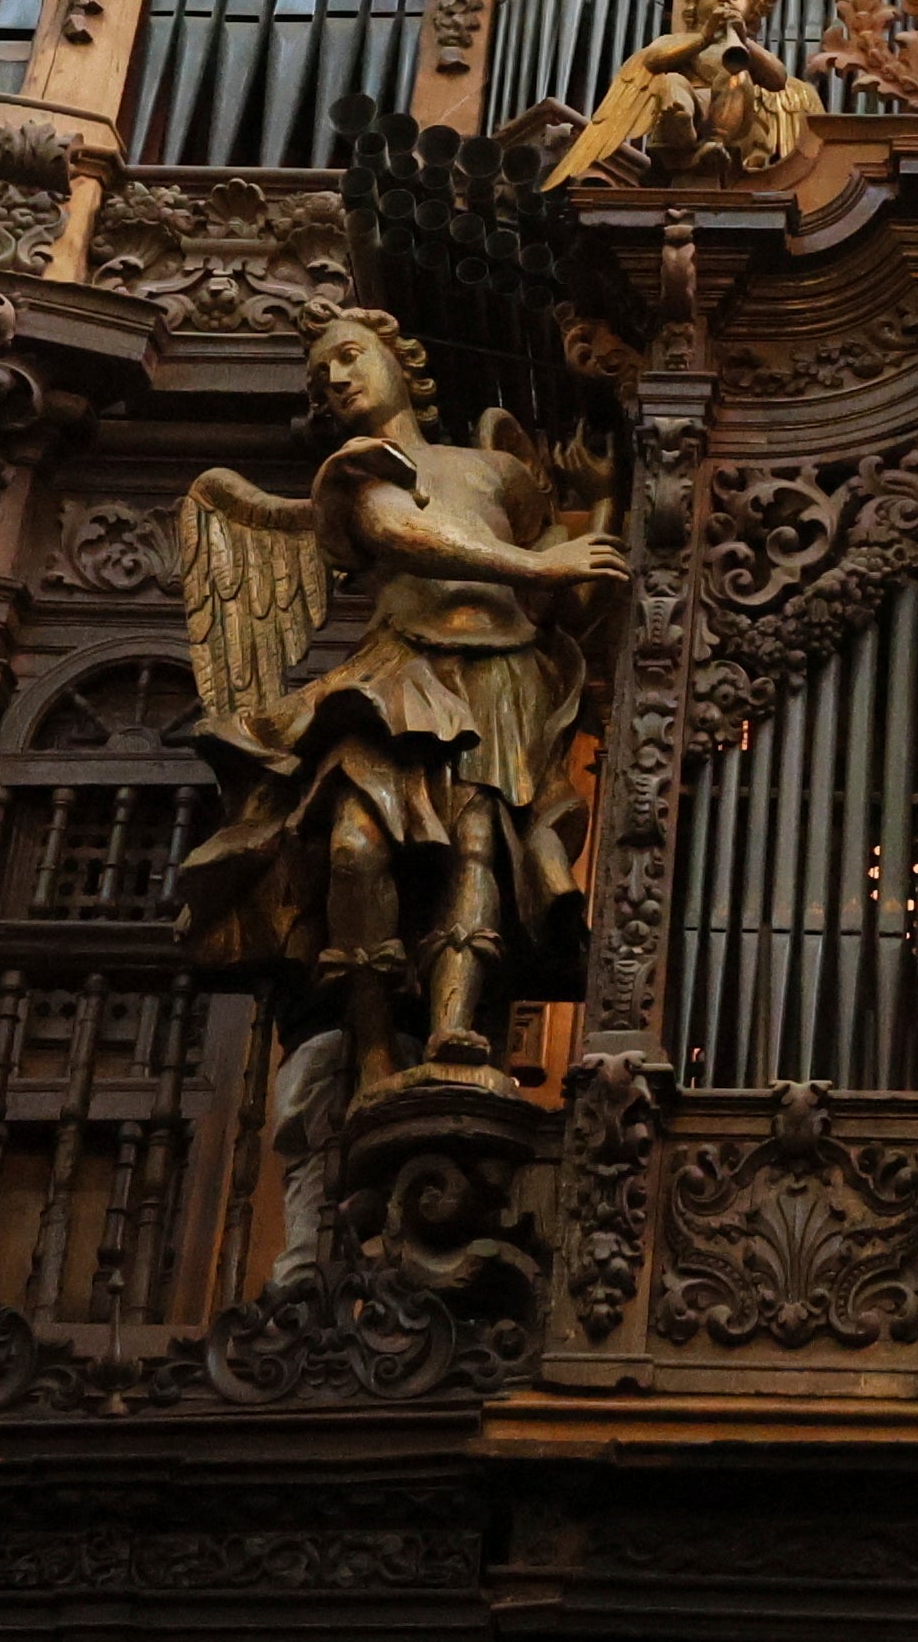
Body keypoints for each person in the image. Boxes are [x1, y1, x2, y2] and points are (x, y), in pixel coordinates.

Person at [174, 305, 626, 1081]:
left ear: (401, 363)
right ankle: (373, 1043)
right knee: (354, 845)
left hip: (502, 673)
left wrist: (607, 502)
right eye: (321, 378)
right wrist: (537, 567)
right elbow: (399, 531)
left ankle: (454, 1029)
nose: (337, 381)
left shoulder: (498, 471)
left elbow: (566, 607)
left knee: (480, 849)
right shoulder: (354, 470)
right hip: (400, 677)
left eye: (349, 358)